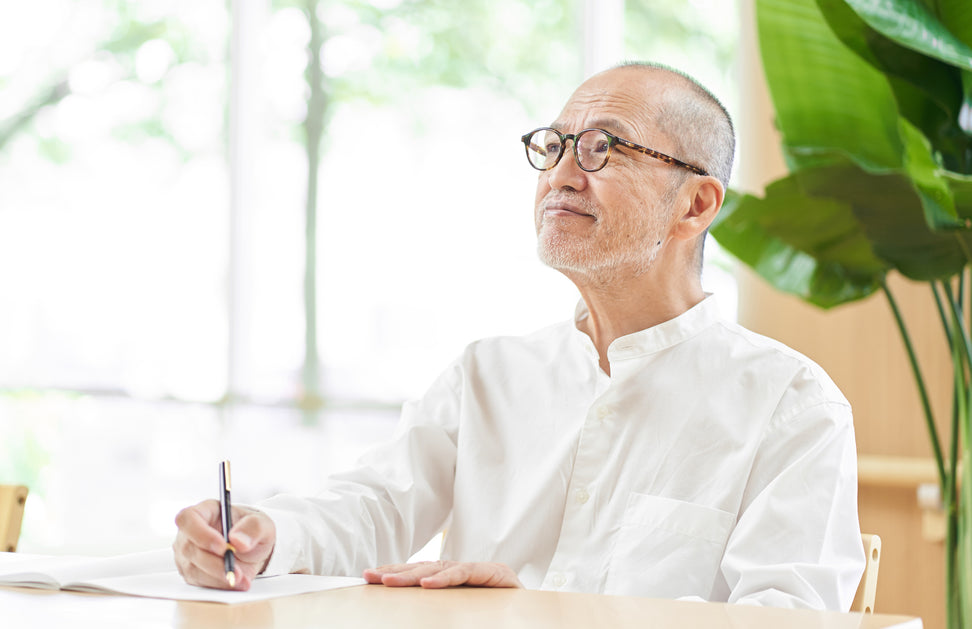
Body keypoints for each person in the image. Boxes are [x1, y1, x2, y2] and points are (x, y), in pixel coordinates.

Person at [173, 62, 866, 609]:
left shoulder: (792, 406)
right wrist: (264, 537)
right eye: (555, 145)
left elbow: (786, 616)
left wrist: (543, 611)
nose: (562, 175)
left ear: (696, 203)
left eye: (603, 149)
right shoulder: (489, 373)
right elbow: (376, 506)